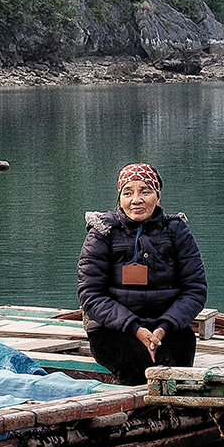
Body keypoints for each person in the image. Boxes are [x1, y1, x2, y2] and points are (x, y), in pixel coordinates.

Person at [79, 163, 207, 385]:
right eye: (128, 193)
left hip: (169, 328)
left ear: (158, 196)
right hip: (113, 329)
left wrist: (163, 327)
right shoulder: (102, 233)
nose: (136, 200)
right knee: (138, 370)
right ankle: (135, 416)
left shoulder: (176, 232)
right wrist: (135, 329)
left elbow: (195, 290)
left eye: (145, 191)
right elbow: (91, 295)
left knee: (173, 374)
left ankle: (173, 415)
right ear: (120, 198)